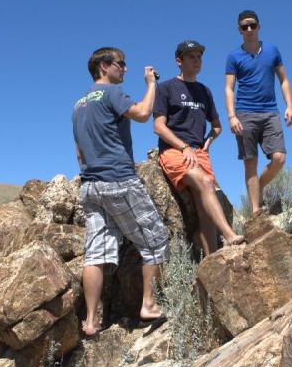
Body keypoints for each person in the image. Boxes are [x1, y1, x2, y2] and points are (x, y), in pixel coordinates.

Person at [72, 47, 167, 337]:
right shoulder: (112, 92)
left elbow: (79, 154)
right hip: (118, 180)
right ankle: (148, 304)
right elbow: (141, 113)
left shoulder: (79, 105)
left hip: (90, 186)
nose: (125, 69)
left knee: (96, 254)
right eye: (121, 64)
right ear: (104, 66)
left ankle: (90, 321)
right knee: (155, 239)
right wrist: (151, 84)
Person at [153, 40, 246, 255]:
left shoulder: (204, 91)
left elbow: (217, 126)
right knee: (205, 183)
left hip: (198, 152)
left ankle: (212, 260)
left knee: (204, 204)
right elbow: (159, 126)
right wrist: (183, 146)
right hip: (174, 150)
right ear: (179, 61)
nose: (197, 61)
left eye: (199, 57)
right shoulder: (166, 88)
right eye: (191, 57)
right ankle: (230, 236)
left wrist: (209, 141)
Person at [225, 10, 292, 215]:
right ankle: (256, 211)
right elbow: (229, 88)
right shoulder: (234, 56)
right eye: (244, 26)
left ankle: (261, 185)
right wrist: (231, 116)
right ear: (239, 29)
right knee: (250, 162)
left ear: (259, 26)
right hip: (244, 113)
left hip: (270, 112)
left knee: (279, 158)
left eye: (252, 25)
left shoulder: (273, 51)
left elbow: (284, 80)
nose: (249, 30)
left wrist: (289, 105)